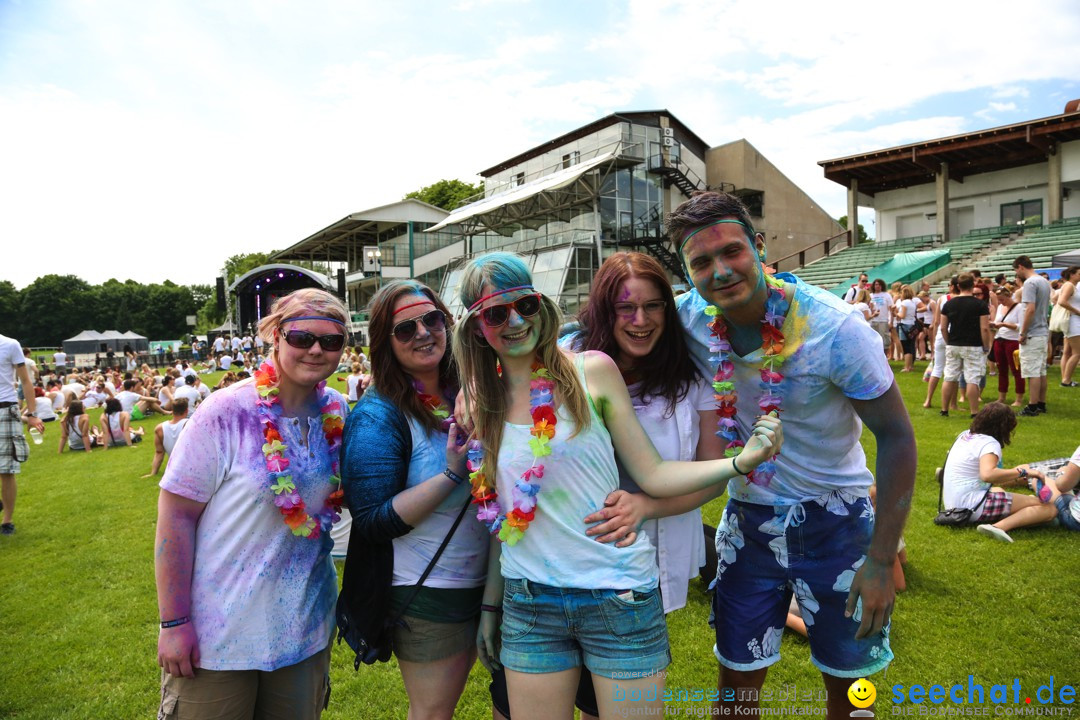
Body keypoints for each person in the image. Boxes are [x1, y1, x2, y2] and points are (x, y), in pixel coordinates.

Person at [453, 251, 782, 720]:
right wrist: (492, 604)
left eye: (523, 306)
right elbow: (503, 521)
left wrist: (739, 463)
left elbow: (653, 474)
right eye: (495, 313)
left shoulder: (592, 371)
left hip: (616, 596)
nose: (514, 322)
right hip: (530, 602)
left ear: (540, 306)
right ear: (476, 326)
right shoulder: (480, 402)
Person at [669, 191, 915, 719]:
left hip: (839, 523)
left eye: (732, 251)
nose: (720, 271)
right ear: (688, 271)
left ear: (759, 247)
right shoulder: (686, 317)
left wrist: (881, 559)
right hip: (749, 523)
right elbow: (602, 329)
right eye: (701, 262)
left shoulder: (836, 328)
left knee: (851, 693)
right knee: (735, 693)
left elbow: (896, 436)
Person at [154, 288, 349, 719]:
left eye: (331, 341)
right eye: (302, 337)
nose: (316, 349)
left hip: (303, 631)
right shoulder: (225, 412)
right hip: (217, 637)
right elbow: (175, 518)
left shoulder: (338, 412)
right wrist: (174, 623)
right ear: (275, 337)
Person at [554, 251, 726, 720]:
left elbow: (712, 474)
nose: (641, 320)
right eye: (626, 308)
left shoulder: (692, 379)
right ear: (603, 313)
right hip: (574, 551)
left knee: (616, 693)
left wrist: (646, 507)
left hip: (656, 543)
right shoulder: (569, 370)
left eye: (653, 307)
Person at [337, 280, 490, 720]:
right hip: (428, 591)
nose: (423, 332)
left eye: (432, 319)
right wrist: (451, 474)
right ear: (385, 343)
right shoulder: (378, 413)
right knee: (432, 712)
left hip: (493, 580)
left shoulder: (470, 389)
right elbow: (372, 520)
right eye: (405, 329)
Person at [940, 402, 1045, 532]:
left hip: (952, 504)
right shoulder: (989, 443)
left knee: (1000, 490)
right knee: (1047, 508)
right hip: (972, 507)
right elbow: (988, 475)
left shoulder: (965, 435)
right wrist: (1023, 472)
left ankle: (1013, 515)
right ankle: (998, 527)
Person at [978, 442, 1080, 541]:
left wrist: (1061, 472)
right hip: (979, 502)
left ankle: (999, 526)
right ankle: (999, 525)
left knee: (1040, 483)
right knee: (1048, 507)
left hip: (1074, 520)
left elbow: (1062, 486)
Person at [1, 332, 45, 535]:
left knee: (6, 469)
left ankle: (7, 520)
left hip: (6, 408)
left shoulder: (10, 345)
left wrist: (33, 414)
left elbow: (26, 381)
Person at [940, 274, 991, 417]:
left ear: (957, 286)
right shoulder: (980, 305)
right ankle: (974, 411)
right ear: (972, 285)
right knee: (972, 378)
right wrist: (986, 345)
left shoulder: (948, 304)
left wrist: (948, 341)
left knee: (949, 376)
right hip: (973, 345)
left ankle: (944, 409)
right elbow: (985, 328)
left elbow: (943, 327)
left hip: (954, 343)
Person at [1013, 256, 1051, 416]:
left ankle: (1032, 405)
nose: (1016, 273)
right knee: (1041, 371)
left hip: (1033, 332)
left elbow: (1030, 309)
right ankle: (1041, 403)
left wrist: (1023, 332)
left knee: (1032, 371)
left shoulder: (1030, 283)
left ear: (1021, 267)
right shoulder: (1044, 281)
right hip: (1042, 330)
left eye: (1016, 270)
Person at [989, 285, 1025, 407]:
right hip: (999, 339)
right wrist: (994, 325)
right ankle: (1001, 397)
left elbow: (1021, 326)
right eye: (999, 300)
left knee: (1017, 370)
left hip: (1013, 341)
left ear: (1009, 296)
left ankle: (1019, 398)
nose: (1000, 302)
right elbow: (998, 321)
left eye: (1002, 299)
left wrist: (1004, 324)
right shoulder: (1000, 307)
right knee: (1001, 369)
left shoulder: (1019, 307)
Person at [141, 398, 190, 478]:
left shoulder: (159, 428)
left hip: (175, 468)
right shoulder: (190, 425)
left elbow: (159, 452)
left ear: (172, 410)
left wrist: (153, 473)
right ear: (187, 410)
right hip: (192, 467)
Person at [1055, 266, 1080, 387]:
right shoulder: (1070, 285)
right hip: (1073, 321)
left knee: (1068, 352)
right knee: (1077, 353)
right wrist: (1077, 311)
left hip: (1072, 320)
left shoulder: (1070, 285)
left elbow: (1056, 298)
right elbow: (1061, 301)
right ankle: (1066, 380)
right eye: (1079, 273)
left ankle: (1065, 379)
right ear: (1072, 274)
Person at [895, 286, 920, 372]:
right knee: (910, 345)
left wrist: (896, 313)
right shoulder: (913, 303)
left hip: (905, 325)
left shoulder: (904, 303)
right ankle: (910, 366)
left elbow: (902, 315)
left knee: (905, 347)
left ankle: (907, 367)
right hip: (912, 324)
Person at [868, 279, 893, 355]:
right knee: (874, 339)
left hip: (883, 320)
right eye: (876, 284)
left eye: (879, 284)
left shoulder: (886, 295)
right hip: (873, 320)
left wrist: (890, 320)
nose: (877, 286)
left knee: (884, 339)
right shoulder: (871, 295)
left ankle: (885, 356)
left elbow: (890, 308)